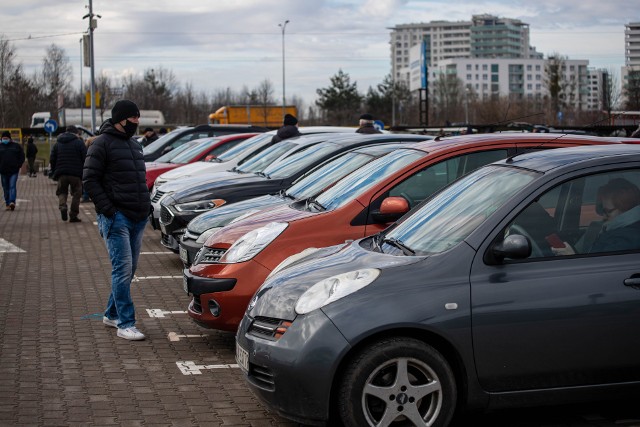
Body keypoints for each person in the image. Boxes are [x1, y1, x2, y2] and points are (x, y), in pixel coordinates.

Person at [83, 99, 151, 341]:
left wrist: (147, 205)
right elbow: (90, 180)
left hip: (138, 215)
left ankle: (111, 314)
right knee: (122, 269)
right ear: (122, 119)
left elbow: (138, 179)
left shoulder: (134, 145)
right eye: (134, 118)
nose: (137, 122)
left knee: (129, 270)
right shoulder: (101, 144)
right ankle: (126, 323)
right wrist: (108, 210)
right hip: (117, 218)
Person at [590, 178, 640, 253]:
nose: (604, 217)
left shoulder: (623, 240)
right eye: (602, 211)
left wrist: (571, 255)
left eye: (607, 211)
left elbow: (601, 263)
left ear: (624, 208)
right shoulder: (624, 231)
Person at [50, 126, 87, 222]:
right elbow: (85, 157)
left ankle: (63, 206)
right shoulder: (79, 143)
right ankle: (73, 215)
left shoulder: (57, 143)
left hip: (61, 173)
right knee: (77, 193)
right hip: (76, 173)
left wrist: (54, 171)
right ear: (75, 133)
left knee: (62, 191)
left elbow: (52, 158)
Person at [0, 131, 25, 211]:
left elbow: (22, 156)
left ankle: (12, 202)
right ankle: (7, 203)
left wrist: (19, 165)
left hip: (14, 171)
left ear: (10, 138)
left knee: (12, 186)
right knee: (5, 188)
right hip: (3, 171)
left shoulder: (16, 146)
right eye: (3, 138)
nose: (5, 139)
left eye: (6, 138)